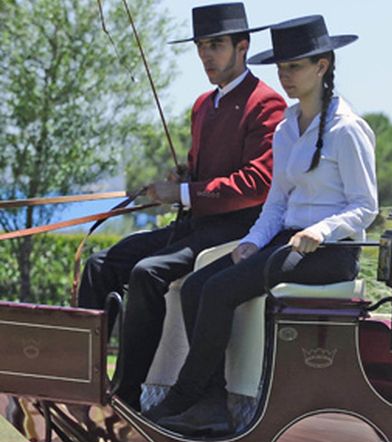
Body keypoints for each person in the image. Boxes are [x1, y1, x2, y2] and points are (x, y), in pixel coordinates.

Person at [144, 15, 377, 436]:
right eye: (281, 68)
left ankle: (186, 397)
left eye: (295, 67)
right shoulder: (288, 127)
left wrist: (321, 232)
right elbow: (275, 203)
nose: (285, 77)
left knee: (219, 290)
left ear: (322, 66)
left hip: (331, 254)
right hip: (288, 243)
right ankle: (212, 401)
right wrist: (251, 242)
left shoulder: (348, 129)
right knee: (198, 284)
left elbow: (365, 207)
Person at [77, 3, 286, 411]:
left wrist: (185, 193)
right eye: (201, 46)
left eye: (216, 45)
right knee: (100, 266)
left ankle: (128, 396)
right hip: (194, 225)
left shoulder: (267, 105)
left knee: (147, 272)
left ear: (242, 47)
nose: (206, 55)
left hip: (234, 230)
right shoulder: (203, 105)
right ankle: (82, 383)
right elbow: (205, 169)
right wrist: (183, 176)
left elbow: (258, 183)